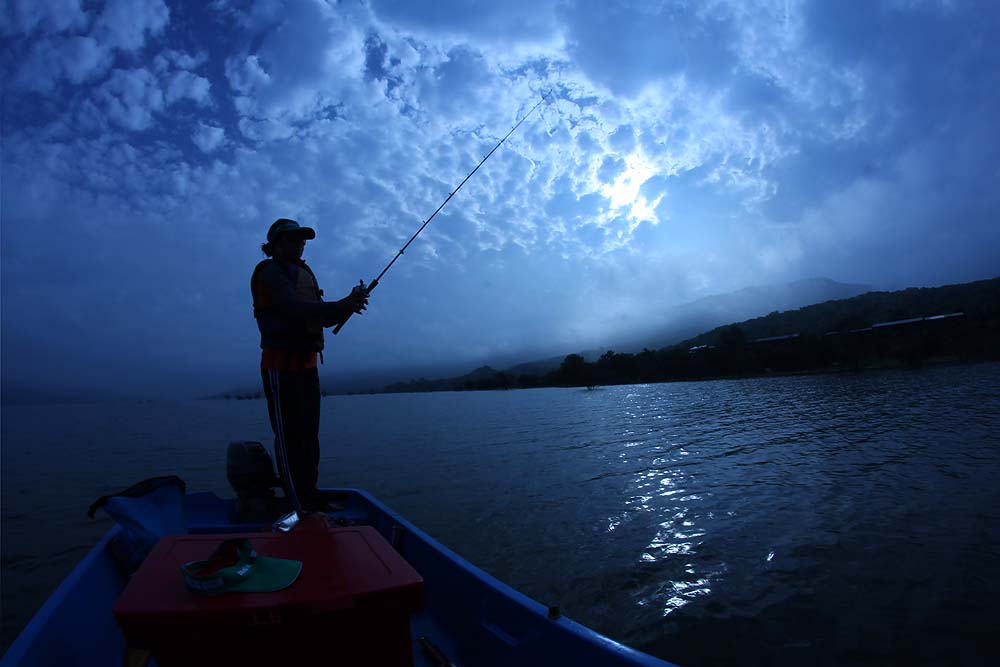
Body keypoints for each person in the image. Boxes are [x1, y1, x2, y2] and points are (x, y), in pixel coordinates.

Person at [250, 218, 369, 512]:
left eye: (301, 240)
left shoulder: (304, 274)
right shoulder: (269, 272)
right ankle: (297, 503)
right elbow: (291, 307)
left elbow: (322, 319)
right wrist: (342, 304)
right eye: (292, 239)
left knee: (308, 436)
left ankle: (309, 494)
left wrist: (349, 305)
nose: (299, 244)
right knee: (290, 437)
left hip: (308, 367)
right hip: (280, 367)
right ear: (275, 244)